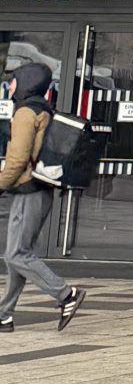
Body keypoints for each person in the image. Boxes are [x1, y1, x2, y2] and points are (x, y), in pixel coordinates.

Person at [0, 62, 83, 333]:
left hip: (28, 190)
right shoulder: (44, 108)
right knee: (15, 255)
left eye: (13, 80)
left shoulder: (26, 112)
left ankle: (66, 294)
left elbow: (17, 159)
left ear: (26, 82)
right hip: (37, 189)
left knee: (17, 254)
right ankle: (4, 314)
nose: (9, 86)